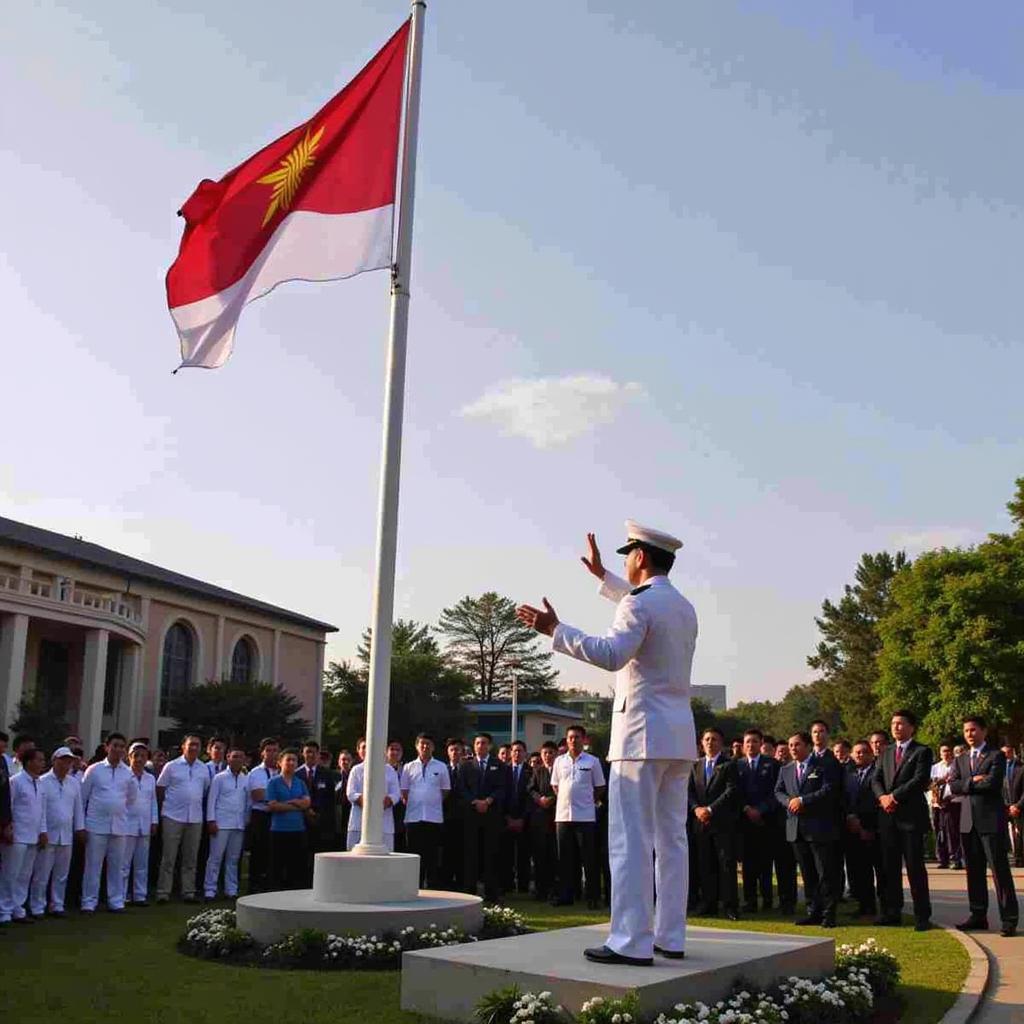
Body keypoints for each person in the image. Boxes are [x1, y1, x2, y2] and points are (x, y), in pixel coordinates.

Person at [518, 524, 697, 965]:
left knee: (630, 839)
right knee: (672, 840)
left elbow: (613, 652)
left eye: (626, 555)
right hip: (678, 737)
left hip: (639, 737)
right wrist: (603, 578)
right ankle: (670, 936)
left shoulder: (639, 604)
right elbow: (642, 609)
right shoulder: (683, 605)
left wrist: (556, 630)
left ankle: (630, 941)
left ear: (640, 556)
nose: (623, 561)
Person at [948, 716, 1019, 937]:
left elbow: (993, 783)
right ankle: (978, 914)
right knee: (974, 872)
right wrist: (973, 781)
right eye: (966, 730)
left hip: (990, 821)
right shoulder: (960, 759)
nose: (969, 734)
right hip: (968, 822)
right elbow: (953, 785)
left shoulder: (996, 755)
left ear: (984, 731)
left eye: (973, 730)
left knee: (999, 871)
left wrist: (971, 783)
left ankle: (1009, 918)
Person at [871, 709, 932, 930]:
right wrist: (882, 797)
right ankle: (892, 911)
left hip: (911, 819)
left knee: (915, 868)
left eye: (900, 723)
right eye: (893, 723)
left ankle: (922, 915)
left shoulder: (922, 751)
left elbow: (920, 780)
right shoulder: (885, 752)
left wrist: (894, 796)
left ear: (911, 727)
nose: (896, 727)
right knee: (889, 868)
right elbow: (875, 779)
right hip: (887, 818)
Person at [775, 731, 840, 927]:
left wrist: (803, 800)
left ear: (807, 746)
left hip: (818, 827)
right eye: (791, 745)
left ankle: (829, 914)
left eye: (797, 745)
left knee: (825, 873)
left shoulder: (823, 765)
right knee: (807, 874)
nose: (793, 749)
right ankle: (813, 911)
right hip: (796, 828)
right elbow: (778, 791)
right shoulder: (785, 769)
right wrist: (789, 802)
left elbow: (828, 790)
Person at [550, 725, 606, 909]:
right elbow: (556, 786)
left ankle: (593, 897)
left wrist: (587, 800)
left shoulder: (593, 761)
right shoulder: (559, 761)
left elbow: (599, 787)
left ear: (584, 740)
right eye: (570, 737)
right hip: (563, 816)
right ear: (566, 740)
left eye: (577, 737)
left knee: (589, 858)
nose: (574, 740)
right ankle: (566, 895)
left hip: (586, 817)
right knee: (564, 858)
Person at [80, 732, 135, 913]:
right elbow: (83, 798)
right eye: (115, 745)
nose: (118, 749)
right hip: (96, 825)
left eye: (121, 746)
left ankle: (116, 901)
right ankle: (89, 901)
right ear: (107, 747)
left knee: (117, 867)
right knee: (93, 866)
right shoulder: (94, 770)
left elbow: (130, 799)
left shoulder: (128, 772)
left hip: (119, 826)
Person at [690, 726, 740, 919]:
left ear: (722, 743)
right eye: (707, 739)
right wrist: (696, 809)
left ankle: (730, 906)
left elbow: (731, 791)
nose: (710, 743)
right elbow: (689, 792)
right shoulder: (696, 765)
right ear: (702, 743)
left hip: (722, 823)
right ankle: (709, 903)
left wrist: (710, 809)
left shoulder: (729, 764)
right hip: (700, 822)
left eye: (715, 739)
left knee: (726, 865)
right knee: (705, 864)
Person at [29, 746, 84, 918]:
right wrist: (42, 831)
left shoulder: (74, 783)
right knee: (42, 873)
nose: (66, 764)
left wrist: (80, 828)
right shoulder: (43, 781)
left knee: (62, 874)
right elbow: (40, 810)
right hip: (48, 834)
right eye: (62, 760)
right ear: (54, 761)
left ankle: (57, 905)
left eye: (69, 761)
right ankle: (37, 906)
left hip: (66, 835)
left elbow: (78, 808)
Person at [156, 734, 209, 903]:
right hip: (173, 816)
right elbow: (160, 789)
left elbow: (205, 790)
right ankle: (163, 892)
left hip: (195, 818)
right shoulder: (171, 766)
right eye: (191, 744)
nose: (194, 748)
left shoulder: (203, 768)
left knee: (190, 857)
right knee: (168, 857)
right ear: (183, 746)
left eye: (197, 745)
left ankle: (188, 891)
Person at [455, 732, 507, 901]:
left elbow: (502, 787)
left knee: (490, 853)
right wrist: (475, 801)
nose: (480, 746)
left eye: (484, 743)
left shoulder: (498, 765)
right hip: (472, 815)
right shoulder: (465, 765)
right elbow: (461, 788)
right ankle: (469, 891)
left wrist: (488, 801)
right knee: (471, 853)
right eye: (477, 743)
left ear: (490, 746)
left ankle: (492, 892)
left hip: (491, 815)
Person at [1, 747, 47, 923]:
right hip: (17, 835)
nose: (42, 763)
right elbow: (8, 806)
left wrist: (43, 831)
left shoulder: (40, 783)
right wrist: (8, 828)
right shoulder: (16, 781)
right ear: (29, 762)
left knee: (24, 875)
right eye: (39, 760)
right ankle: (4, 911)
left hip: (32, 835)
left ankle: (17, 908)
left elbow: (41, 811)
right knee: (10, 874)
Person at [737, 727, 779, 913]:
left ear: (761, 743)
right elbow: (734, 792)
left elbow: (776, 792)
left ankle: (768, 899)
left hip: (766, 820)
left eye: (754, 741)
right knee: (748, 864)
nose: (751, 745)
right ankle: (750, 900)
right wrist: (746, 809)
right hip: (745, 822)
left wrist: (760, 810)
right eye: (748, 742)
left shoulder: (772, 764)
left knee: (765, 863)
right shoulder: (737, 766)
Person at [401, 733, 451, 888]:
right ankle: (414, 885)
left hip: (433, 817)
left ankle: (432, 885)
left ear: (433, 747)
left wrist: (430, 801)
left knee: (432, 854)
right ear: (416, 746)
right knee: (414, 854)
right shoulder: (409, 767)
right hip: (413, 817)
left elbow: (445, 790)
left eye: (428, 744)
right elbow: (404, 791)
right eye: (422, 744)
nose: (425, 747)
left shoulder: (441, 766)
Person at [204, 746, 249, 900]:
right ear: (228, 758)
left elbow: (247, 803)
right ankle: (210, 889)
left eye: (240, 757)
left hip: (238, 825)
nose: (237, 760)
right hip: (221, 824)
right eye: (234, 756)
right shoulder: (219, 778)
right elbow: (211, 800)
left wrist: (246, 821)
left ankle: (231, 890)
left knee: (233, 859)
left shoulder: (246, 779)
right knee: (215, 858)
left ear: (244, 760)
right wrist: (211, 820)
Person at [844, 739, 882, 917]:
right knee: (859, 871)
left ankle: (884, 906)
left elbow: (877, 802)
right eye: (857, 752)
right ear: (851, 754)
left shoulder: (877, 773)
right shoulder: (848, 774)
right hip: (852, 829)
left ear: (871, 754)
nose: (860, 755)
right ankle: (864, 905)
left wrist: (867, 827)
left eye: (864, 752)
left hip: (873, 829)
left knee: (879, 871)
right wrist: (850, 817)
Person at [346, 738, 402, 852]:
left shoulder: (390, 770)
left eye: (370, 747)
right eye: (364, 747)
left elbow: (396, 793)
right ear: (358, 750)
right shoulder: (356, 770)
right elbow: (350, 793)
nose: (368, 750)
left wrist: (388, 801)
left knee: (386, 857)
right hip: (358, 822)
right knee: (354, 857)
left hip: (384, 822)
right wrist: (366, 802)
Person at [266, 749, 310, 890]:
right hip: (279, 829)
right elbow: (272, 805)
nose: (291, 763)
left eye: (294, 760)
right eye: (288, 760)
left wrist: (286, 803)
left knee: (296, 865)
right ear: (280, 763)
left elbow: (307, 803)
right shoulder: (273, 782)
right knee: (277, 865)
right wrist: (296, 803)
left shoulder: (300, 783)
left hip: (298, 829)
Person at [122, 741, 159, 906]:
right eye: (136, 755)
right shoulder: (124, 775)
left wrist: (154, 821)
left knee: (142, 864)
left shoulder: (150, 778)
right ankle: (121, 895)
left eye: (143, 756)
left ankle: (140, 895)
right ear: (129, 757)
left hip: (144, 825)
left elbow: (153, 802)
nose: (139, 759)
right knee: (124, 864)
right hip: (127, 825)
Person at [297, 739, 338, 880]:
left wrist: (323, 818)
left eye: (314, 752)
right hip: (301, 820)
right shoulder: (297, 774)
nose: (311, 755)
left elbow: (330, 800)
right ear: (302, 753)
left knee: (319, 854)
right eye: (308, 752)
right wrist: (306, 811)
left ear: (318, 754)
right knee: (302, 854)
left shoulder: (326, 774)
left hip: (321, 822)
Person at [246, 737, 279, 894]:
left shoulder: (281, 771)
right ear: (262, 753)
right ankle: (255, 884)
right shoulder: (256, 772)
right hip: (261, 815)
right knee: (258, 850)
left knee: (274, 850)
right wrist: (279, 796)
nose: (272, 754)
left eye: (275, 751)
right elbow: (257, 794)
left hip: (278, 815)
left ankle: (270, 883)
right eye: (269, 751)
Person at [528, 740, 559, 901]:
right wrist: (540, 799)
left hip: (556, 818)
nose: (548, 756)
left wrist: (551, 799)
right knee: (539, 856)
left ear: (556, 754)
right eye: (545, 753)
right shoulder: (538, 771)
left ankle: (554, 890)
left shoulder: (560, 769)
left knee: (554, 856)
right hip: (539, 819)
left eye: (551, 753)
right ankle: (541, 890)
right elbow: (531, 789)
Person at [503, 740, 533, 896]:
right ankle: (507, 884)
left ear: (525, 753)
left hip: (524, 820)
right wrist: (507, 817)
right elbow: (501, 795)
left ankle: (523, 886)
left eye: (520, 751)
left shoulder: (531, 771)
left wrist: (522, 818)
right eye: (514, 750)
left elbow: (530, 796)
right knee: (506, 854)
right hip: (506, 819)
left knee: (523, 855)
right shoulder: (504, 770)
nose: (516, 753)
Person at [932, 743, 963, 869]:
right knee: (939, 831)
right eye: (944, 751)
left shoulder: (957, 766)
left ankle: (955, 858)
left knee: (952, 831)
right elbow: (931, 784)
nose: (946, 753)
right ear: (940, 753)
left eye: (948, 750)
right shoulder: (935, 767)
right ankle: (942, 858)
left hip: (952, 803)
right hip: (937, 804)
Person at [441, 739, 466, 889]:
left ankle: (462, 884)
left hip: (463, 817)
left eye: (458, 749)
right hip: (445, 816)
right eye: (452, 750)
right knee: (446, 852)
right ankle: (446, 883)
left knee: (462, 852)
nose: (455, 752)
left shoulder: (469, 769)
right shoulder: (442, 769)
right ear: (448, 752)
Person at [1003, 744, 1024, 867]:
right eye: (1003, 753)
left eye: (1008, 752)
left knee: (1019, 833)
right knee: (1005, 833)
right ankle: (1008, 857)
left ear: (1012, 753)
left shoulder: (1021, 768)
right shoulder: (997, 768)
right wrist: (1006, 805)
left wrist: (1018, 806)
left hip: (1019, 806)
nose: (1005, 755)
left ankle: (1019, 858)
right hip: (1003, 806)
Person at [386, 739, 407, 853]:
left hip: (401, 811)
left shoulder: (406, 770)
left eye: (398, 749)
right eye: (392, 749)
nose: (395, 752)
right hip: (386, 807)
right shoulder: (381, 769)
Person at [335, 749, 353, 843]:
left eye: (348, 760)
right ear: (338, 761)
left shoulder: (354, 775)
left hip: (350, 808)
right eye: (343, 759)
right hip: (337, 808)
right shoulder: (333, 775)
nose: (345, 762)